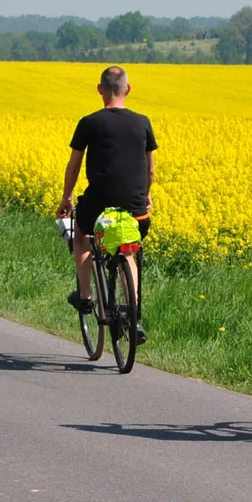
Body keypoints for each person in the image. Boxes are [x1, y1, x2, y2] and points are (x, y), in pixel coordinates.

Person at [56, 66, 157, 343]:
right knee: (128, 253)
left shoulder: (89, 122)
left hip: (98, 206)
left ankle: (86, 297)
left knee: (82, 235)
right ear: (128, 89)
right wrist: (145, 196)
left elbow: (73, 167)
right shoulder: (143, 122)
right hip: (136, 209)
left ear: (100, 89)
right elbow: (150, 171)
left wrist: (66, 198)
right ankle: (133, 316)